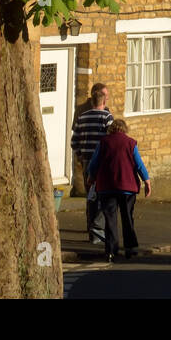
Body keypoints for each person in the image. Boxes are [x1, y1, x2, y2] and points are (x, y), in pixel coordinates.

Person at [86, 119, 152, 261]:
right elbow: (139, 164)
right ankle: (130, 248)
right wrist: (146, 181)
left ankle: (111, 250)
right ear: (124, 129)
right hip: (127, 188)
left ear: (111, 129)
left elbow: (94, 163)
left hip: (107, 187)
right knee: (127, 217)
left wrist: (91, 177)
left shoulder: (103, 142)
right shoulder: (131, 143)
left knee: (110, 219)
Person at [70, 83, 113, 244]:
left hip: (88, 161)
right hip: (101, 163)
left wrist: (81, 155)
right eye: (105, 95)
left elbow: (74, 141)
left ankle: (92, 230)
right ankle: (96, 229)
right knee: (104, 196)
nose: (107, 98)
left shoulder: (83, 116)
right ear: (99, 97)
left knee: (92, 195)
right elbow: (112, 141)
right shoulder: (106, 116)